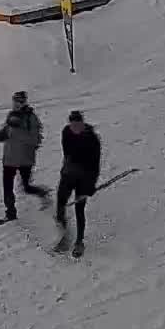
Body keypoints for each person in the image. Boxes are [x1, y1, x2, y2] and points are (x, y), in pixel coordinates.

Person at [0, 90, 47, 222]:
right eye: (15, 102)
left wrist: (18, 130)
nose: (16, 105)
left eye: (19, 102)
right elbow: (6, 133)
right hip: (9, 158)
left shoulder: (31, 118)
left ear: (24, 103)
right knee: (7, 187)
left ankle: (42, 193)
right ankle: (11, 213)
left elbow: (35, 140)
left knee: (26, 187)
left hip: (25, 159)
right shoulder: (11, 116)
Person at [56, 110, 101, 257]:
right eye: (72, 125)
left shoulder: (92, 139)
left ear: (82, 123)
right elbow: (66, 154)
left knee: (79, 209)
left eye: (77, 125)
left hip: (84, 178)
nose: (74, 128)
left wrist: (91, 186)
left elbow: (95, 165)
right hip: (68, 175)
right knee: (60, 204)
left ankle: (79, 241)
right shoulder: (66, 132)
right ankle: (63, 233)